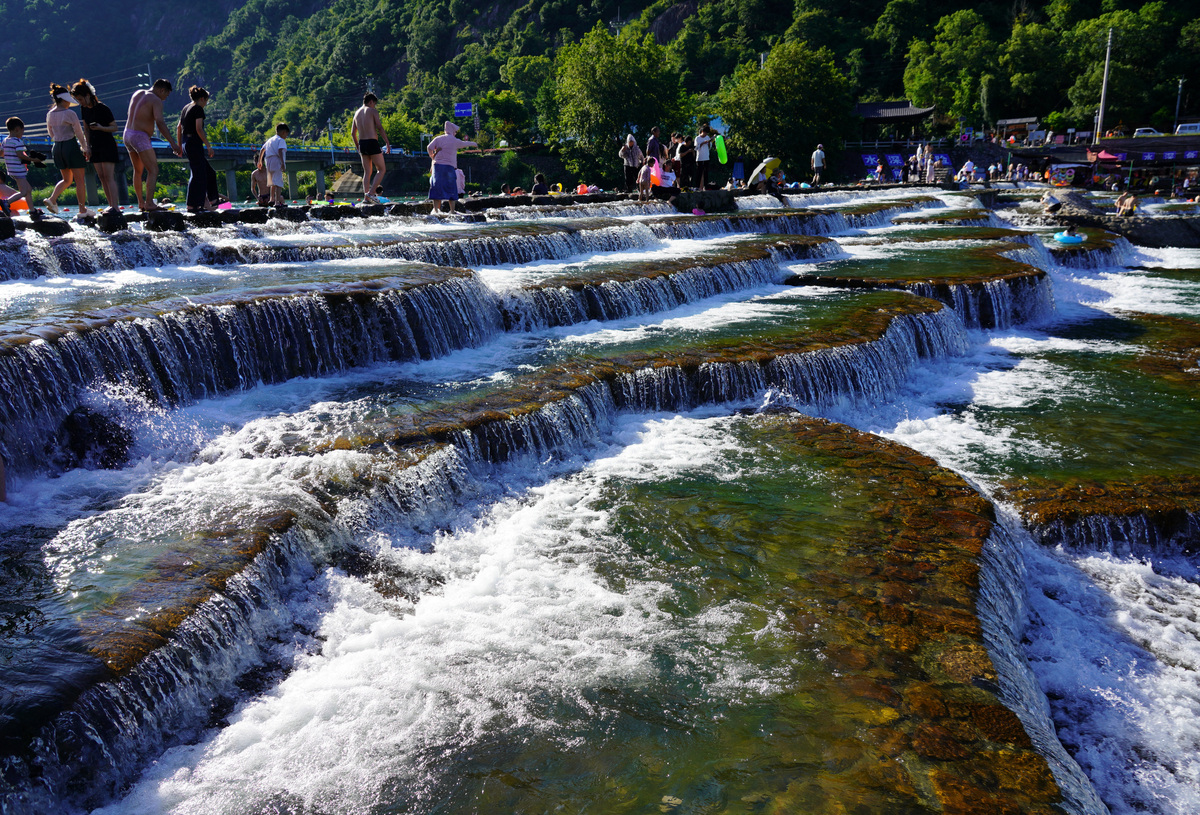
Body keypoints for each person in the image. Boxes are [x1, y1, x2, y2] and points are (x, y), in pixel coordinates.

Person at [123, 79, 181, 212]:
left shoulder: (137, 93)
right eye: (166, 95)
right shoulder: (156, 100)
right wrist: (173, 143)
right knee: (153, 170)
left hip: (127, 133)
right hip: (140, 136)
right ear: (162, 90)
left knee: (138, 171)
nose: (165, 98)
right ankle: (149, 203)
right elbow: (160, 122)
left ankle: (141, 203)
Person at [70, 80, 120, 213]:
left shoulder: (103, 108)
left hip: (107, 144)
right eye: (77, 100)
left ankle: (115, 207)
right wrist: (87, 146)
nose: (80, 102)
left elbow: (114, 127)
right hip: (94, 145)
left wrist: (101, 128)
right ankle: (110, 205)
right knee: (102, 177)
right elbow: (86, 129)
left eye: (80, 99)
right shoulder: (84, 109)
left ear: (88, 95)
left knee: (108, 176)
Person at [44, 84, 91, 216]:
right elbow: (79, 132)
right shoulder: (69, 113)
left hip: (57, 147)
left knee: (67, 180)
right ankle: (82, 210)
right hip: (70, 146)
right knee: (79, 180)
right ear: (64, 99)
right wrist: (85, 147)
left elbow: (51, 133)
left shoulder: (50, 114)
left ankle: (52, 199)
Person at [176, 85, 219, 213]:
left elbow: (179, 128)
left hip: (186, 142)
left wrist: (180, 146)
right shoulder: (198, 109)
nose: (206, 104)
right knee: (198, 174)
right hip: (194, 143)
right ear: (202, 99)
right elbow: (199, 129)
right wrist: (208, 146)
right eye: (206, 101)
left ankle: (213, 201)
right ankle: (193, 205)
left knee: (208, 172)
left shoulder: (186, 107)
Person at [426, 121, 476, 213]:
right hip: (449, 167)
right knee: (451, 188)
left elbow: (429, 147)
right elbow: (464, 144)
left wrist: (432, 155)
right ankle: (452, 211)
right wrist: (474, 143)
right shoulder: (454, 140)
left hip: (437, 167)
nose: (455, 133)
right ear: (452, 130)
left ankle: (436, 210)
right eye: (455, 131)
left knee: (436, 187)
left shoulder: (438, 138)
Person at [352, 92, 389, 203]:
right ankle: (372, 193)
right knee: (381, 169)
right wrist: (387, 143)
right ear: (371, 101)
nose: (374, 106)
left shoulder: (356, 113)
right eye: (374, 104)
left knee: (367, 172)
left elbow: (353, 133)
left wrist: (358, 147)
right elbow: (379, 127)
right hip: (372, 142)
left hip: (362, 143)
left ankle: (366, 198)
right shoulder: (372, 111)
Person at [2, 117, 40, 216]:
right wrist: (34, 160)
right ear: (17, 129)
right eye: (22, 132)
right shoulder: (17, 141)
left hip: (12, 170)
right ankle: (6, 202)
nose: (22, 134)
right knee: (23, 192)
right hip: (18, 170)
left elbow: (2, 153)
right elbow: (20, 155)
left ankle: (32, 210)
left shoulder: (5, 140)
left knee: (28, 189)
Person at [258, 122, 289, 206]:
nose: (286, 136)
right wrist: (282, 163)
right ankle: (277, 202)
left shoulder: (270, 140)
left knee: (272, 182)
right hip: (276, 159)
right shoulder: (281, 140)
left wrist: (259, 161)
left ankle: (271, 199)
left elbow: (262, 150)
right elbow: (280, 151)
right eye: (286, 134)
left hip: (268, 160)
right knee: (278, 182)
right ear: (284, 132)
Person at [695, 123, 713, 190]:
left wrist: (708, 143)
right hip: (700, 158)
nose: (706, 134)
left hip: (706, 157)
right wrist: (702, 143)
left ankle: (706, 186)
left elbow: (710, 147)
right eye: (705, 133)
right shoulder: (697, 138)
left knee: (706, 173)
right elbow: (696, 148)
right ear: (702, 131)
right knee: (699, 173)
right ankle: (697, 186)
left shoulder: (707, 137)